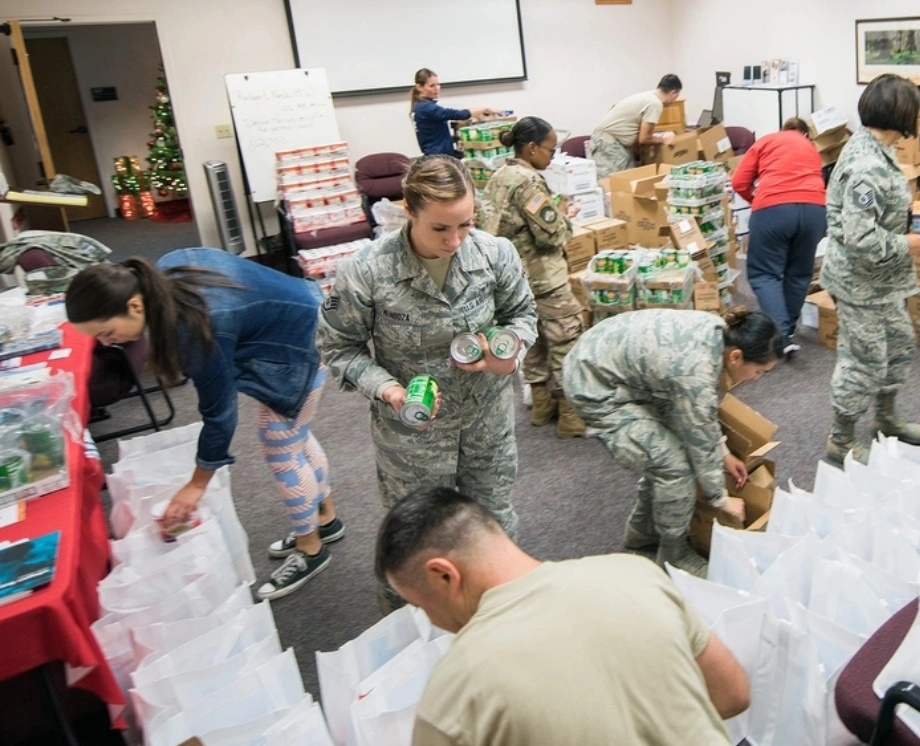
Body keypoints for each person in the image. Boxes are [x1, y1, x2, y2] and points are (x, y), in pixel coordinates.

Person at [377, 486, 749, 746]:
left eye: (421, 607)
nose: (431, 620)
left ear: (443, 575)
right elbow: (733, 693)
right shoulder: (635, 573)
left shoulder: (454, 689)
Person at [66, 249, 337, 600]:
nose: (106, 343)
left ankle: (311, 549)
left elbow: (220, 413)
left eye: (107, 332)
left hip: (303, 340)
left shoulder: (193, 328)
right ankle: (325, 520)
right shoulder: (163, 271)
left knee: (282, 447)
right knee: (294, 437)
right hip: (300, 315)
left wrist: (196, 485)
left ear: (134, 306)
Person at [318, 155, 536, 549]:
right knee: (418, 545)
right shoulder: (367, 270)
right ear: (408, 211)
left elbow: (523, 313)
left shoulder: (494, 254)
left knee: (493, 530)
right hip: (413, 437)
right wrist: (388, 390)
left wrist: (512, 351)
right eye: (440, 228)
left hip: (486, 424)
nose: (454, 241)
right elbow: (338, 349)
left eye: (465, 225)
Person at [563, 308, 781, 576]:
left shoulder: (720, 333)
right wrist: (721, 500)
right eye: (759, 371)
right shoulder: (696, 371)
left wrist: (723, 452)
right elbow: (699, 433)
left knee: (671, 450)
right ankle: (673, 555)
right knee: (673, 466)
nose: (758, 378)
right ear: (736, 357)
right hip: (595, 386)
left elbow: (701, 415)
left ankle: (642, 535)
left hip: (616, 367)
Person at [820, 74, 920, 467]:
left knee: (900, 346)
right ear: (903, 115)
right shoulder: (867, 163)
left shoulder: (877, 148)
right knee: (863, 360)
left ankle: (886, 417)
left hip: (882, 282)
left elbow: (874, 214)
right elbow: (859, 237)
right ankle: (841, 439)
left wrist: (907, 216)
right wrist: (908, 243)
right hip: (858, 282)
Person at [478, 117, 586, 437]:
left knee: (533, 342)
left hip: (512, 279)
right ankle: (571, 417)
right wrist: (565, 218)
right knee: (566, 339)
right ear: (531, 148)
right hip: (543, 277)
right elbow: (550, 234)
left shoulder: (499, 175)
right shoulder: (528, 182)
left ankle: (542, 407)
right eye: (551, 150)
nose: (553, 156)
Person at [730, 117, 828, 358]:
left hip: (774, 208)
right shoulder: (811, 148)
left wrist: (758, 203)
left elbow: (738, 182)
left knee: (764, 274)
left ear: (784, 129)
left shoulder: (767, 141)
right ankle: (789, 328)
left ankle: (782, 334)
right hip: (815, 211)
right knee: (800, 272)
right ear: (805, 134)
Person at [589, 74, 683, 179]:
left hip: (611, 142)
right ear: (673, 93)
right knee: (614, 184)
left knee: (629, 180)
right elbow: (644, 138)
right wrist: (663, 140)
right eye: (676, 96)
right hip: (610, 145)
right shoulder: (655, 103)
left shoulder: (647, 96)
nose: (675, 100)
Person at [410, 68, 498, 158]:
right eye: (432, 86)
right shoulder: (427, 108)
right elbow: (457, 114)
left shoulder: (419, 107)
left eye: (438, 84)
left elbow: (434, 136)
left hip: (436, 154)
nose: (437, 88)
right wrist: (485, 108)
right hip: (439, 157)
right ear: (419, 87)